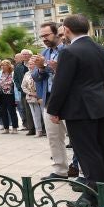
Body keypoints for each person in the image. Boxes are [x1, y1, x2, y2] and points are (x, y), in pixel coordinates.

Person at [46, 14, 104, 207]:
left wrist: (53, 110)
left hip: (79, 109)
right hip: (101, 104)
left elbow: (62, 84)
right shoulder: (103, 50)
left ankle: (92, 196)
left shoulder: (69, 52)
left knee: (87, 151)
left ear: (67, 30)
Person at [32, 22, 72, 179]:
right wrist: (40, 67)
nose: (44, 39)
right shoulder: (44, 53)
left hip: (69, 100)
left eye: (47, 35)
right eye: (42, 36)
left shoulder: (68, 50)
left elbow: (70, 74)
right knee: (54, 138)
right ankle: (60, 170)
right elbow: (35, 77)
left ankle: (82, 172)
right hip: (49, 101)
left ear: (57, 33)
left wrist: (50, 67)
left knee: (76, 138)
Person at [20, 56, 44, 138]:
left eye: (32, 64)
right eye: (29, 64)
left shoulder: (40, 72)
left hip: (41, 96)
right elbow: (23, 86)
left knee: (44, 114)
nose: (30, 66)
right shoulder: (27, 74)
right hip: (31, 97)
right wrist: (30, 93)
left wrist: (39, 93)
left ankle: (47, 130)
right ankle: (39, 131)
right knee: (35, 115)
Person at [0, 59, 20, 134]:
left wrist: (5, 84)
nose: (3, 66)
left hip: (10, 94)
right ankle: (6, 128)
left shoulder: (12, 73)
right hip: (0, 95)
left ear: (9, 66)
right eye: (2, 65)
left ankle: (15, 128)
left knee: (12, 111)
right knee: (3, 111)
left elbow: (12, 82)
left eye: (5, 65)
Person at [13, 50, 34, 134]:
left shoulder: (33, 63)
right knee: (27, 111)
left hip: (35, 91)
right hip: (23, 92)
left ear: (30, 55)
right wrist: (20, 88)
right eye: (23, 54)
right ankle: (31, 129)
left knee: (37, 111)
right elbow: (15, 79)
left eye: (26, 54)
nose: (25, 56)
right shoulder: (18, 67)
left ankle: (42, 128)